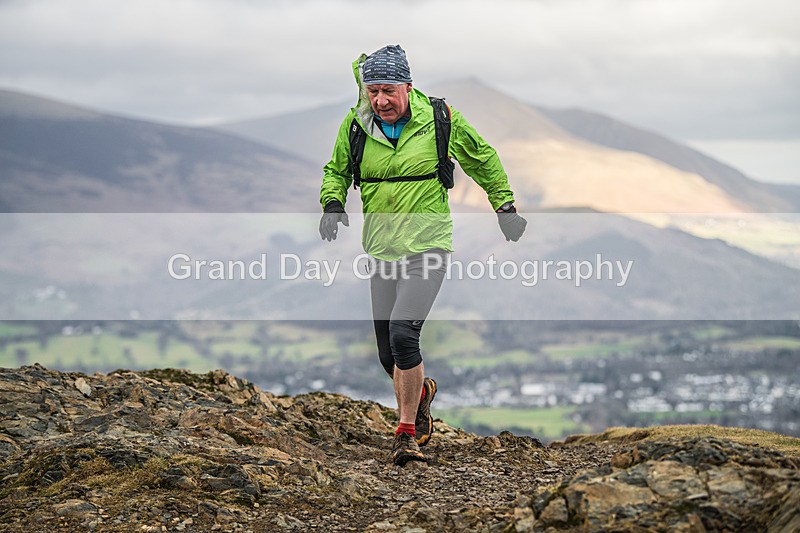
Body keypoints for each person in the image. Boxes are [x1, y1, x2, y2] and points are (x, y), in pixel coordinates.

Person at [319, 45, 527, 466]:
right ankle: (423, 394)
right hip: (381, 249)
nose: (380, 101)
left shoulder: (439, 118)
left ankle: (405, 433)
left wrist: (504, 207)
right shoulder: (356, 124)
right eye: (373, 91)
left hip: (427, 245)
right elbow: (337, 168)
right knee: (386, 355)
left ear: (407, 87)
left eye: (388, 91)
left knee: (402, 335)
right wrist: (332, 202)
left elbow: (482, 158)